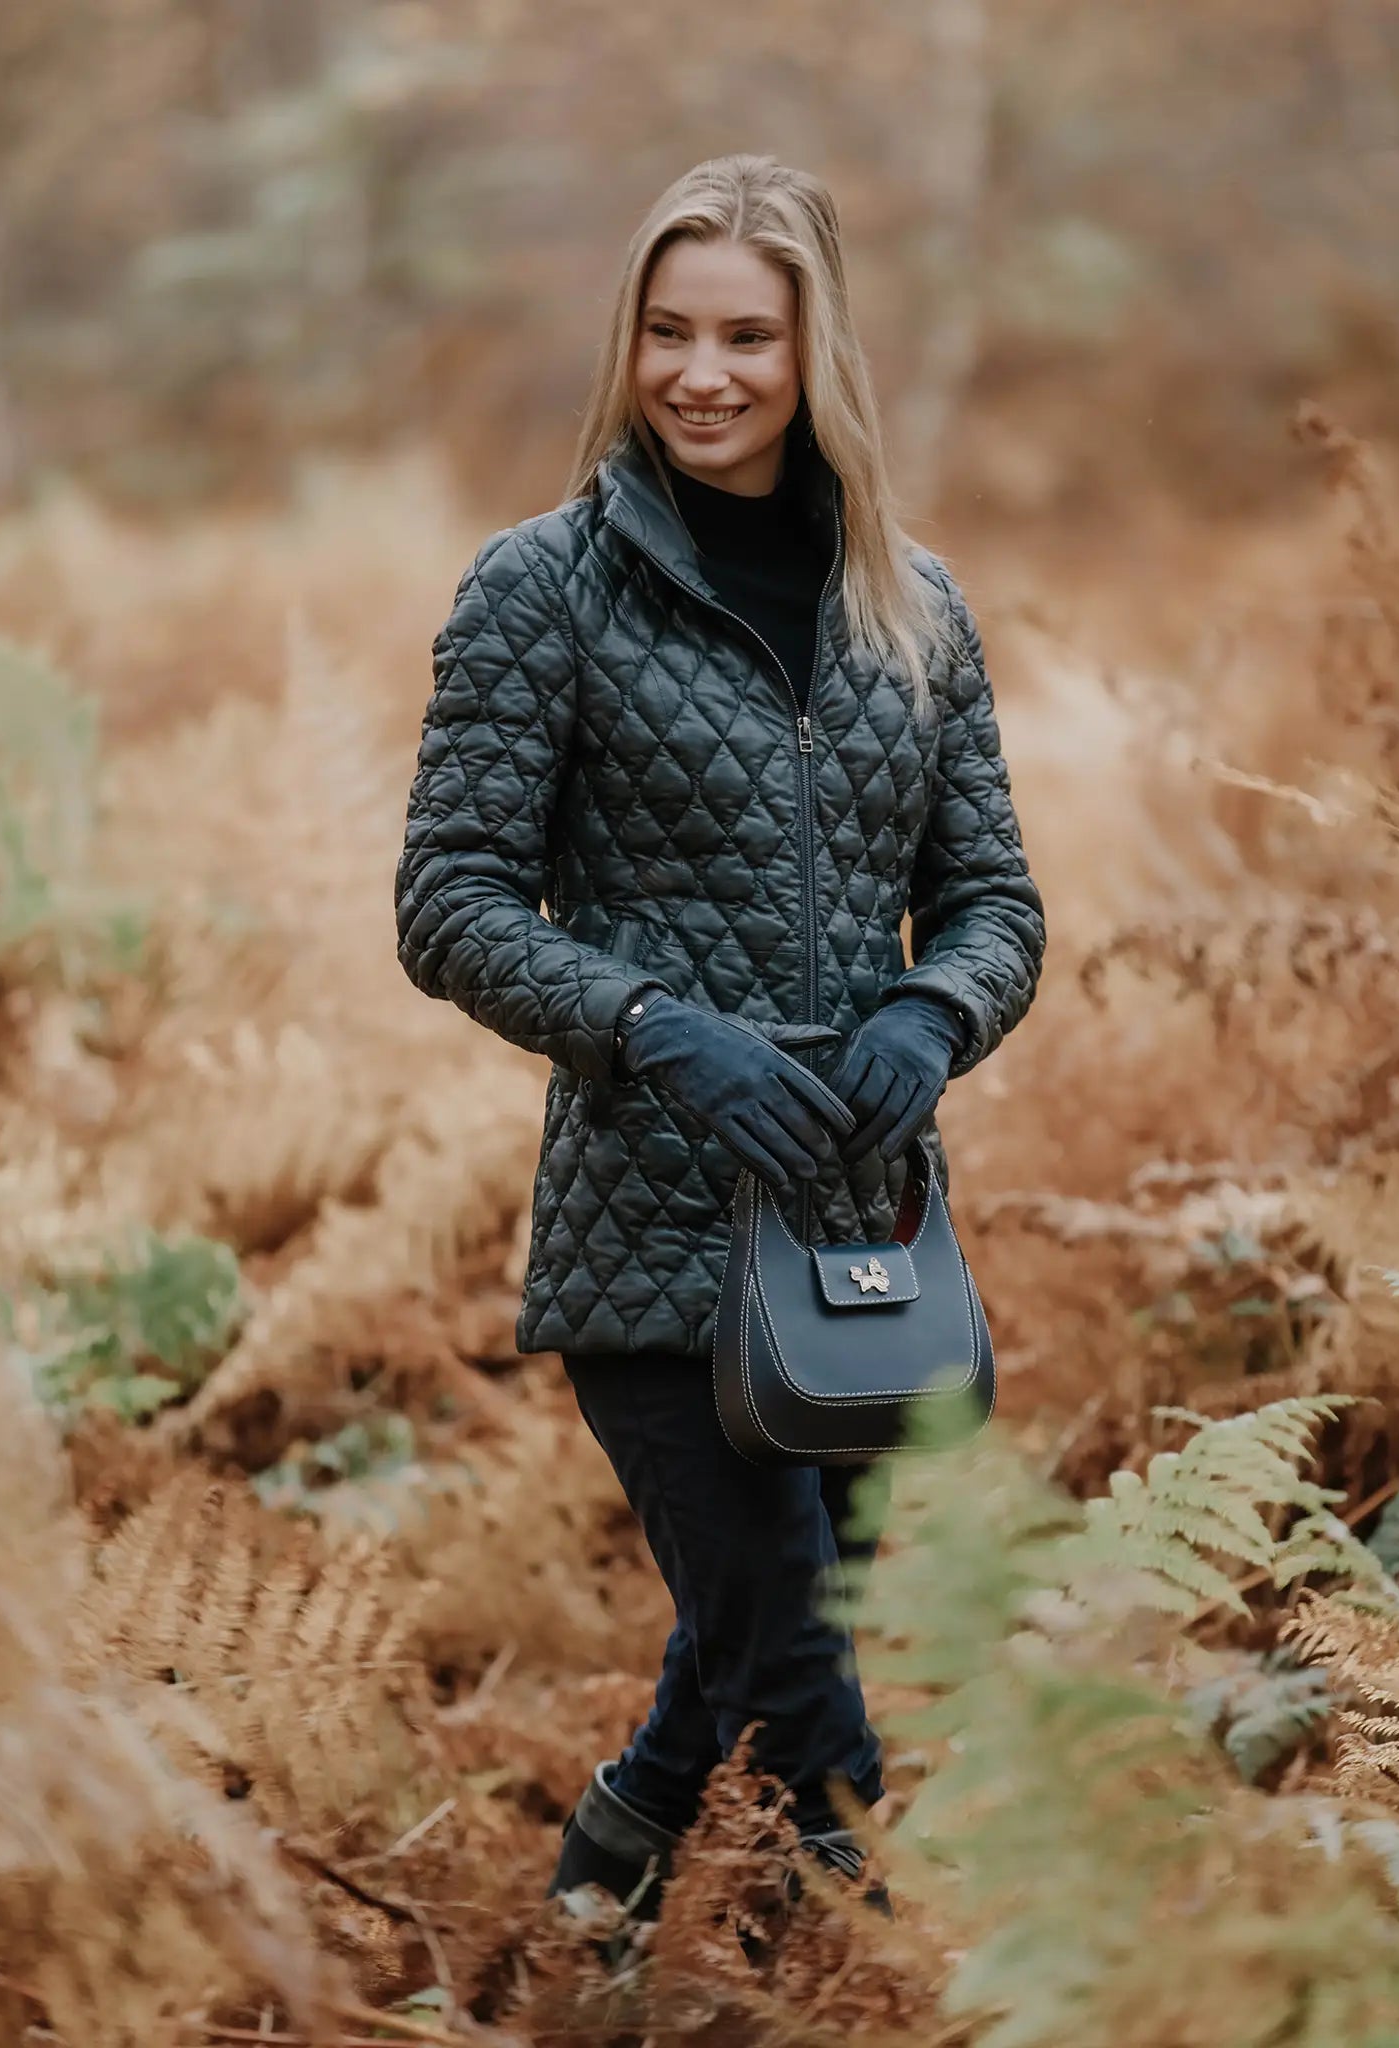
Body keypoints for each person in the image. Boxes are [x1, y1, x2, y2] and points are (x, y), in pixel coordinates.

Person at [394, 153, 1045, 1927]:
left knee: (766, 1637)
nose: (703, 373)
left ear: (814, 349)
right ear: (629, 341)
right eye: (668, 332)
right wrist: (654, 1026)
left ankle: (598, 1895)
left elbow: (997, 903)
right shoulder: (546, 589)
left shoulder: (913, 606)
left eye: (747, 336)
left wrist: (935, 1007)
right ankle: (903, 1963)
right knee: (816, 1700)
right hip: (656, 1244)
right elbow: (447, 900)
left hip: (866, 1247)